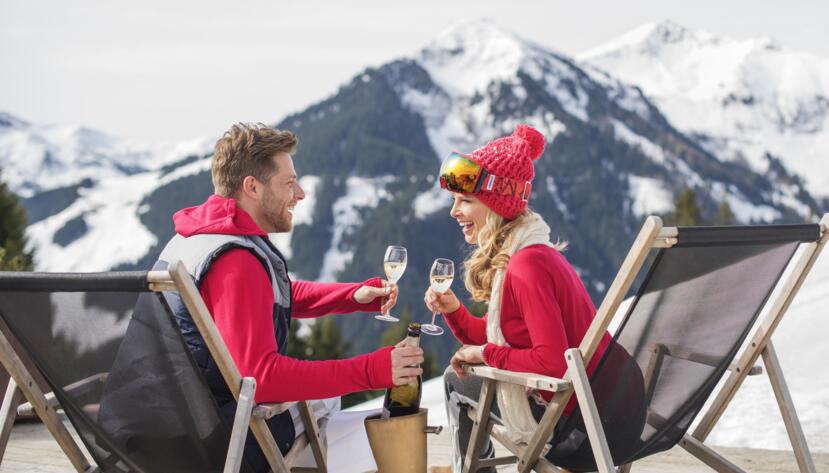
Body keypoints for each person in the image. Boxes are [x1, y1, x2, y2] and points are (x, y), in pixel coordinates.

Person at [154, 123, 423, 472]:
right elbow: (260, 379)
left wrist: (352, 295)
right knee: (343, 413)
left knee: (325, 405)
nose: (300, 193)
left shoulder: (197, 239)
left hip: (169, 423)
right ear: (252, 187)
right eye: (288, 182)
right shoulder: (235, 259)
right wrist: (374, 369)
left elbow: (260, 297)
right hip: (220, 441)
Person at [423, 124, 632, 472]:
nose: (453, 211)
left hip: (582, 431)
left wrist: (484, 354)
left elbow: (551, 363)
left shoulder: (525, 267)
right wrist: (456, 311)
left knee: (455, 381)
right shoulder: (534, 251)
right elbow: (509, 337)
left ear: (496, 204)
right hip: (612, 415)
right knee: (471, 374)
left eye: (465, 201)